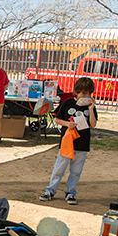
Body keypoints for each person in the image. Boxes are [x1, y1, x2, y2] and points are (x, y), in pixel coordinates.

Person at [39, 77, 98, 205]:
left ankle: (70, 192)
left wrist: (92, 109)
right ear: (76, 92)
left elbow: (92, 125)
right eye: (83, 93)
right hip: (67, 142)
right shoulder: (67, 103)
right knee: (59, 167)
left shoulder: (89, 107)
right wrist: (68, 124)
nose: (85, 96)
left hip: (82, 143)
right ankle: (50, 190)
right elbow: (57, 120)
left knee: (76, 170)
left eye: (88, 93)